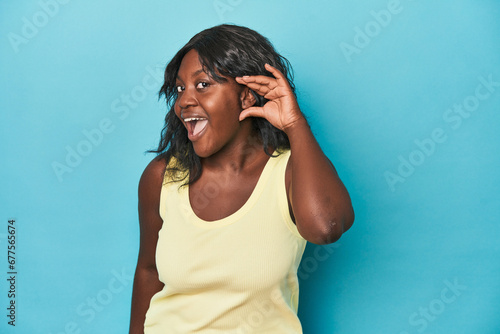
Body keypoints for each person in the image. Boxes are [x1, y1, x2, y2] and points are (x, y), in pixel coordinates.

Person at [129, 24, 354, 334]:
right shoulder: (162, 177)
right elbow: (148, 271)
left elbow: (325, 228)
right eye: (181, 89)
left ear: (247, 96)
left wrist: (294, 123)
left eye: (203, 84)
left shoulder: (289, 172)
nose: (183, 102)